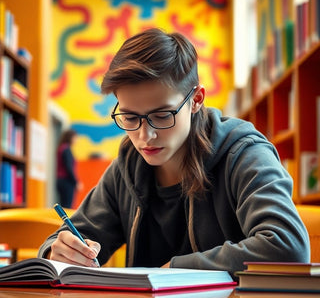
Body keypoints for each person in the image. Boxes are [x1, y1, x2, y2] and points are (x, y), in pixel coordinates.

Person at [39, 28, 310, 273]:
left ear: (196, 100)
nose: (145, 136)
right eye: (130, 118)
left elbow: (288, 247)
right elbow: (78, 234)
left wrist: (175, 268)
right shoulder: (127, 167)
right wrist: (58, 250)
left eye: (162, 115)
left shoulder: (244, 153)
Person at [56, 129, 80, 208]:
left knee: (63, 205)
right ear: (70, 138)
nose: (76, 140)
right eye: (75, 138)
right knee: (67, 207)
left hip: (60, 180)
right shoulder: (66, 149)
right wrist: (76, 182)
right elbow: (69, 167)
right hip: (67, 181)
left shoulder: (61, 148)